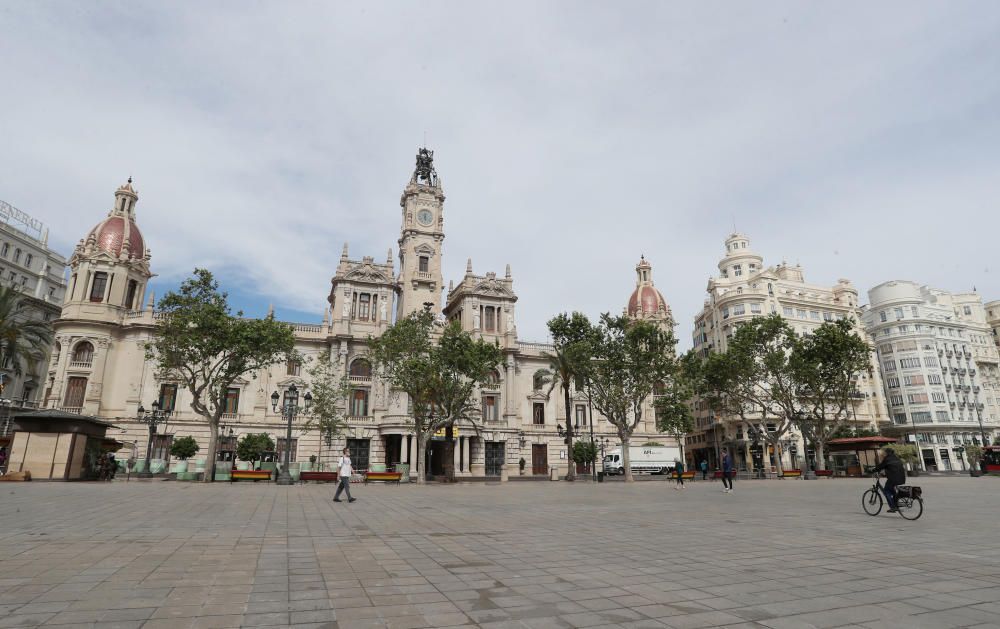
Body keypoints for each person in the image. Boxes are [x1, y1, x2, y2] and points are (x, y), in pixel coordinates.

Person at [872, 447, 906, 513]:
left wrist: (872, 470)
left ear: (887, 453)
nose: (884, 453)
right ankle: (895, 503)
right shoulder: (896, 458)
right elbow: (892, 468)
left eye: (885, 452)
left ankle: (893, 507)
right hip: (901, 478)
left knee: (886, 491)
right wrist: (884, 473)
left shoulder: (887, 459)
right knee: (892, 489)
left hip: (893, 478)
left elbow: (880, 466)